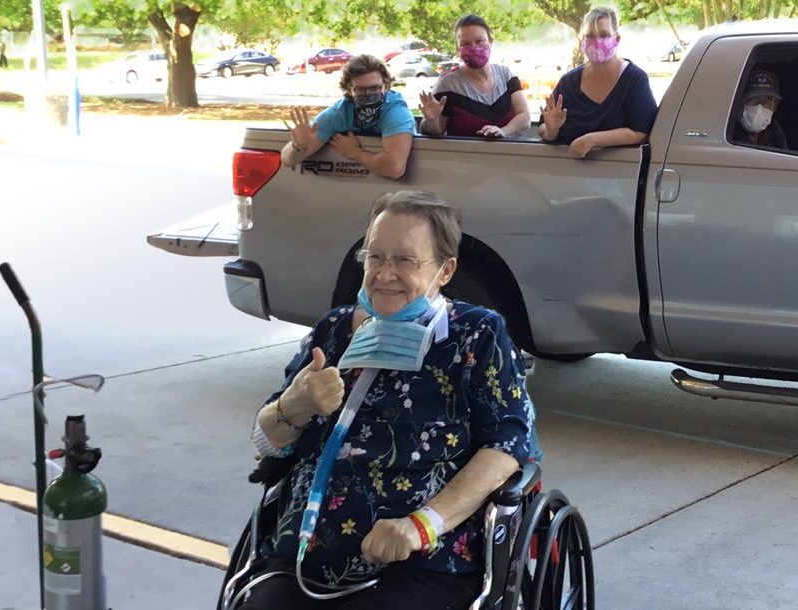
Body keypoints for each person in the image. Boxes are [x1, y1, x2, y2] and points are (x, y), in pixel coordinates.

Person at [240, 191, 536, 609]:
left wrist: (421, 525)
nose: (384, 273)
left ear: (445, 270)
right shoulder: (335, 330)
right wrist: (296, 403)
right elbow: (265, 439)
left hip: (422, 559)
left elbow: (506, 448)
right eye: (374, 257)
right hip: (305, 552)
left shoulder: (476, 335)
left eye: (404, 260)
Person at [539, 6, 658, 158]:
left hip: (621, 173)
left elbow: (640, 132)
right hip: (568, 174)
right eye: (590, 36)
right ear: (583, 41)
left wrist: (592, 140)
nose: (596, 42)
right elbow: (545, 128)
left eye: (603, 35)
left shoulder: (634, 79)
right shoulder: (568, 83)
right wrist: (551, 131)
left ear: (617, 39)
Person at [282, 55, 415, 179]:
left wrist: (355, 152)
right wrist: (299, 146)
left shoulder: (396, 112)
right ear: (349, 90)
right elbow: (287, 159)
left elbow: (395, 168)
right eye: (361, 90)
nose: (368, 94)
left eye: (375, 88)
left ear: (385, 87)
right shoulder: (339, 113)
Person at [418, 14, 530, 139]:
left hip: (509, 156)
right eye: (466, 43)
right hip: (464, 157)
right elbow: (435, 130)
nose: (474, 48)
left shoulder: (507, 76)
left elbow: (524, 116)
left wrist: (503, 131)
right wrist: (432, 120)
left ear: (490, 42)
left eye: (479, 41)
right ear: (457, 49)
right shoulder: (447, 84)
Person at [733, 68, 788, 149]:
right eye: (753, 99)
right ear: (740, 103)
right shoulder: (729, 132)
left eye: (767, 100)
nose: (760, 106)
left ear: (774, 106)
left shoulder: (774, 130)